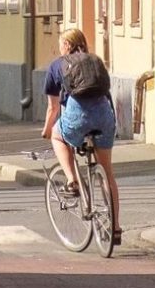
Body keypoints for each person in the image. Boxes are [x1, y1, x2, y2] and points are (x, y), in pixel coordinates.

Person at [41, 25, 122, 250]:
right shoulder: (95, 61)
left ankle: (72, 180)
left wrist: (47, 130)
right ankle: (115, 229)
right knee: (108, 172)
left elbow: (53, 107)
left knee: (58, 136)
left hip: (77, 117)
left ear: (66, 46)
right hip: (105, 116)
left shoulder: (58, 65)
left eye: (60, 45)